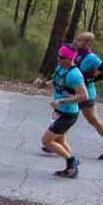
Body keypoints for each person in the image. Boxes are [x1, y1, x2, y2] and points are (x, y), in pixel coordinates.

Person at [36, 44, 88, 178]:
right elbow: (56, 79)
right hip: (60, 111)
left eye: (61, 57)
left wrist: (62, 101)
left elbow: (84, 96)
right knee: (60, 141)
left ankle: (72, 161)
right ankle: (71, 169)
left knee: (46, 141)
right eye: (58, 55)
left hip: (68, 114)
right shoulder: (61, 67)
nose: (58, 59)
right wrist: (44, 84)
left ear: (69, 59)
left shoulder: (75, 75)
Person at [73, 31, 103, 159]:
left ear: (89, 43)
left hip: (86, 93)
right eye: (77, 39)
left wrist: (92, 80)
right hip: (75, 91)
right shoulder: (76, 53)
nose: (77, 42)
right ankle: (53, 141)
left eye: (80, 40)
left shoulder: (92, 58)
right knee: (64, 115)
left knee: (93, 120)